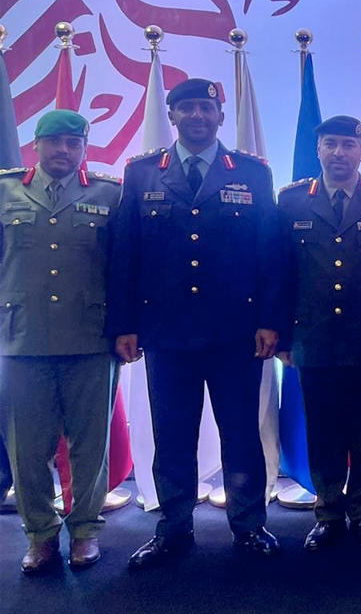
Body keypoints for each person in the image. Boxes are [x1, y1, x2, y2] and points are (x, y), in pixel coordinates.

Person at [107, 77, 284, 568]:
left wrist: (271, 320)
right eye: (187, 109)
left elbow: (270, 252)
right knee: (172, 436)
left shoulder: (251, 172)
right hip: (167, 334)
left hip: (236, 333)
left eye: (206, 108)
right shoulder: (142, 173)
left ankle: (249, 526)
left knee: (241, 435)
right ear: (173, 117)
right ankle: (173, 528)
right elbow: (125, 254)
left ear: (220, 116)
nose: (197, 116)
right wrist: (125, 324)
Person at [0, 110, 119, 574]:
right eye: (54, 142)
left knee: (90, 447)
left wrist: (126, 329)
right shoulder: (6, 190)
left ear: (84, 148)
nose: (63, 152)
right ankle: (40, 535)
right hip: (22, 340)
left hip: (90, 339)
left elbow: (124, 268)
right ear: (36, 144)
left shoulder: (109, 194)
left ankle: (85, 531)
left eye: (73, 143)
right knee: (25, 448)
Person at [278, 115, 361, 552]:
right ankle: (328, 512)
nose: (339, 153)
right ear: (319, 150)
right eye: (330, 144)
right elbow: (281, 273)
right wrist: (284, 337)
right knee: (323, 431)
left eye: (348, 145)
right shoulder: (292, 202)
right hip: (315, 341)